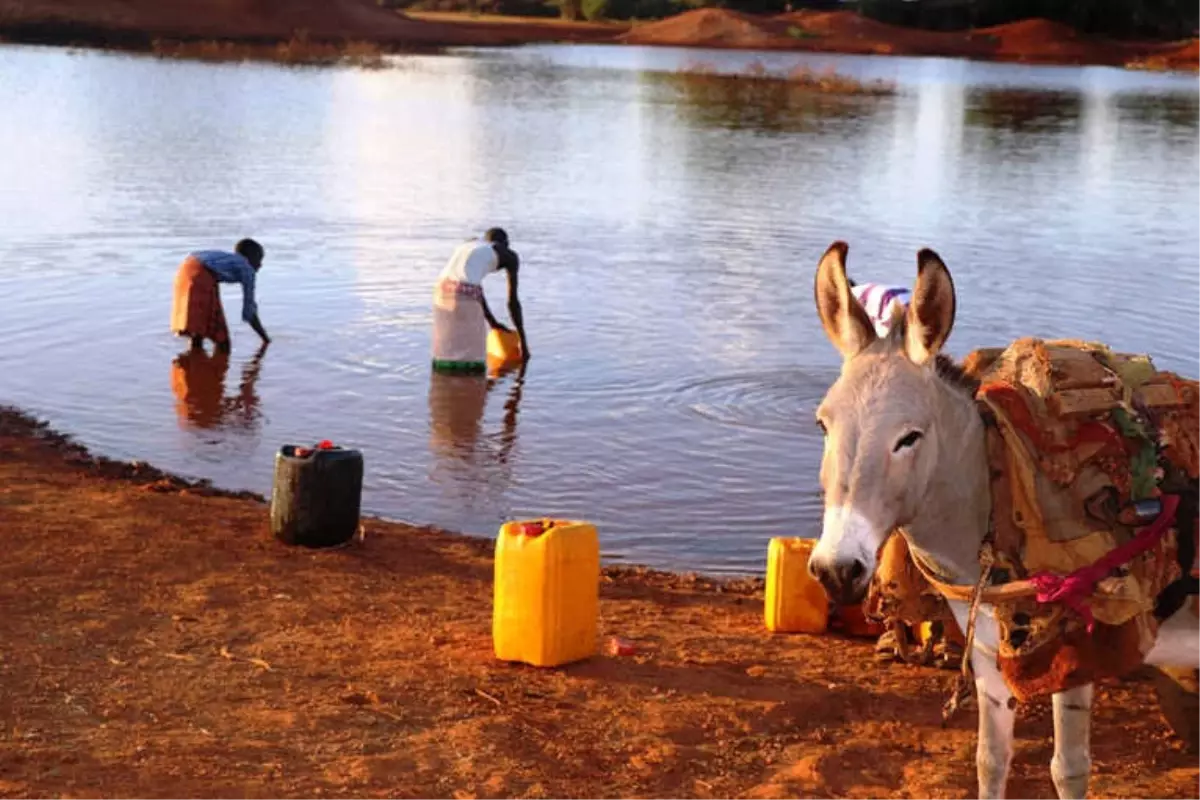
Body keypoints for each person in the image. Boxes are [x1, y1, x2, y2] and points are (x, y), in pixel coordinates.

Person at [431, 228, 528, 373]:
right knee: (473, 362)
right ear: (506, 243)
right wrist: (523, 344)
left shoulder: (470, 244)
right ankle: (473, 392)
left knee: (446, 358)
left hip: (440, 290)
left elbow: (471, 285)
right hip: (465, 294)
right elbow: (512, 302)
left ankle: (446, 393)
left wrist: (493, 322)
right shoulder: (509, 255)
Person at [171, 239, 270, 353]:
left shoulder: (227, 258)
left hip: (184, 272)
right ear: (250, 257)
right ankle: (204, 365)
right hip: (201, 276)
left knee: (197, 331)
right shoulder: (246, 267)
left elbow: (194, 258)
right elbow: (249, 309)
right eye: (259, 259)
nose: (260, 265)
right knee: (222, 342)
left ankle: (194, 361)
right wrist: (265, 339)